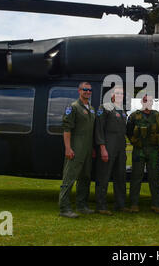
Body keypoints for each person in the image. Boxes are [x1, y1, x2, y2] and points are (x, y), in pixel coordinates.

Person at [59, 82, 96, 218]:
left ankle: (82, 205)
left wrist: (92, 148)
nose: (87, 91)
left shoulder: (91, 109)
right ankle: (64, 208)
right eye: (85, 89)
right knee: (69, 177)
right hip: (76, 148)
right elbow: (67, 128)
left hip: (87, 149)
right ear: (79, 91)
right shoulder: (73, 107)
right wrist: (68, 148)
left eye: (89, 90)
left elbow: (90, 131)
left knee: (85, 178)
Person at [126, 94, 159, 214]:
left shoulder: (158, 116)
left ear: (152, 103)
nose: (147, 103)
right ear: (142, 102)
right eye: (145, 101)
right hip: (139, 150)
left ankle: (156, 204)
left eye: (149, 101)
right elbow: (128, 131)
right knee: (136, 177)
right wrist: (135, 142)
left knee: (155, 178)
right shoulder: (134, 116)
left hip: (153, 151)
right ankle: (133, 204)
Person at [94, 86, 129, 215]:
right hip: (108, 146)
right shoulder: (105, 107)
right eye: (118, 93)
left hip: (120, 148)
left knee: (120, 176)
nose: (120, 96)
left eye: (122, 94)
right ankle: (101, 206)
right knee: (104, 176)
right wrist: (102, 148)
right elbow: (99, 129)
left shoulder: (122, 110)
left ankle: (120, 204)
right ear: (112, 95)